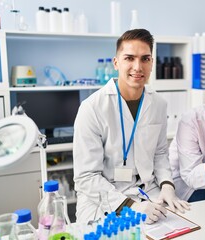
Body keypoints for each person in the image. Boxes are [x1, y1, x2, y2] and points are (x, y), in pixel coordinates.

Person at [73, 29, 190, 224]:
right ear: (116, 62)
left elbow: (160, 153)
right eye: (129, 58)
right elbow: (86, 177)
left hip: (147, 190)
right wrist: (131, 206)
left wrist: (167, 185)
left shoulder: (159, 104)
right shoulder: (92, 108)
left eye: (145, 59)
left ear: (152, 63)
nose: (138, 67)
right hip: (102, 198)